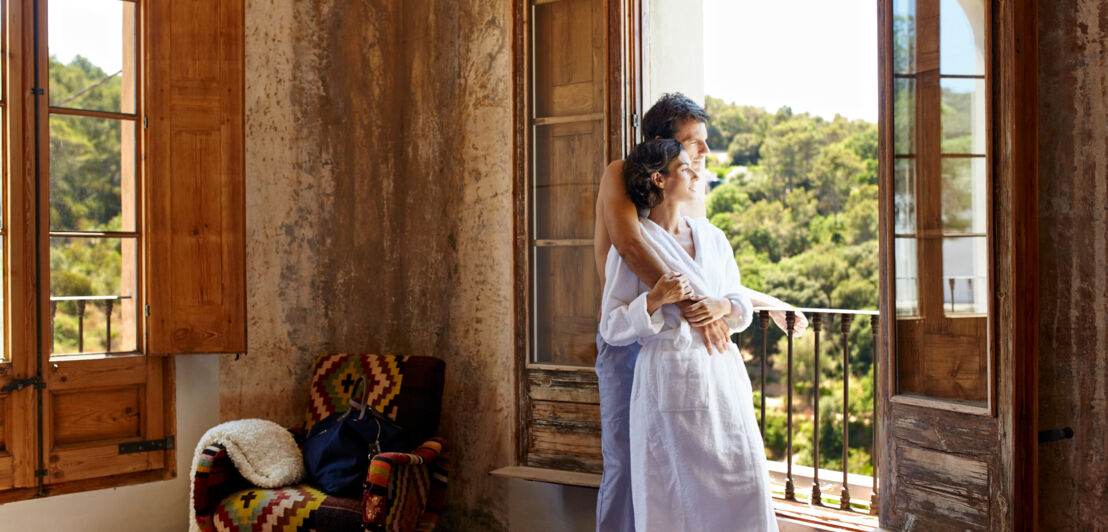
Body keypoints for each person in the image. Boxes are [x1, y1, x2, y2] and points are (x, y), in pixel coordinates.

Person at [593, 93, 805, 532]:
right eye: (693, 143)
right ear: (661, 145)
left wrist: (761, 304)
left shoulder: (700, 222)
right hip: (634, 339)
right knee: (631, 464)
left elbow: (706, 278)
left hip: (694, 358)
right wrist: (690, 308)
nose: (703, 153)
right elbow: (633, 247)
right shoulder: (621, 175)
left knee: (706, 475)